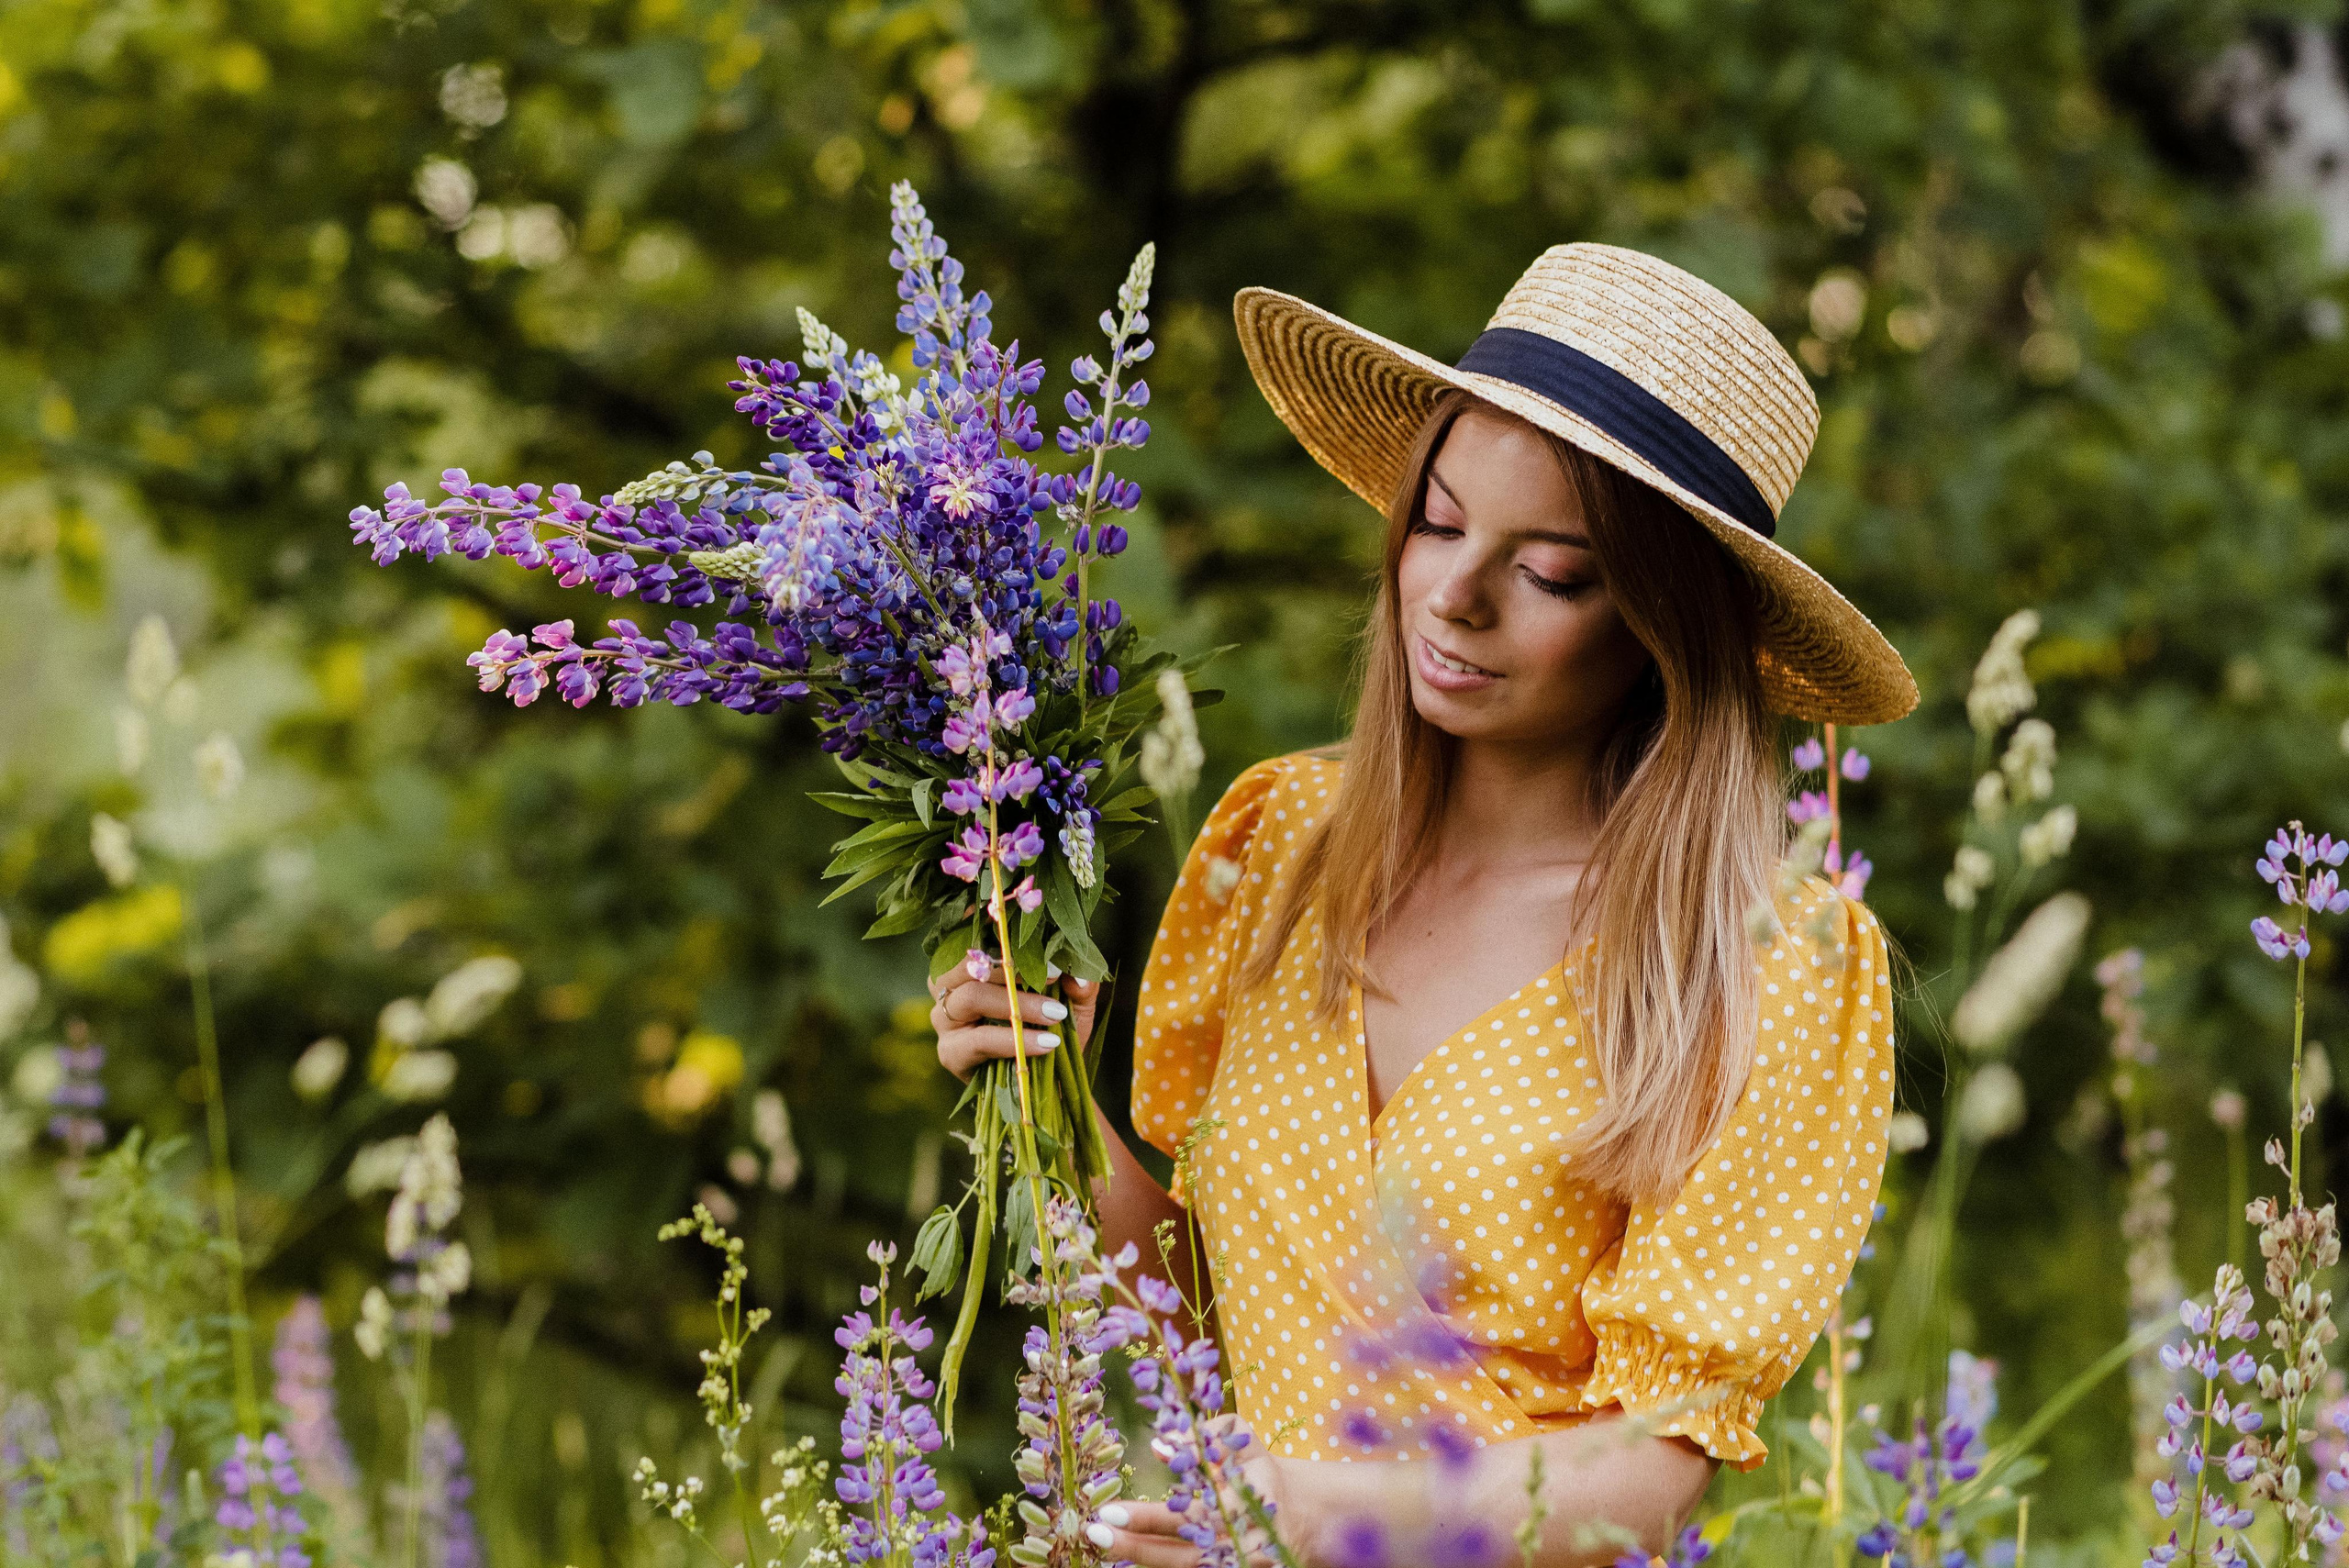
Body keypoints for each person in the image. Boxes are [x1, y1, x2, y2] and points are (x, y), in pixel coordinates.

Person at [932, 243, 1918, 1565]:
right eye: (1440, 523)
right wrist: (1049, 1093)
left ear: (1662, 623)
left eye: (1554, 573)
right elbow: (1201, 1316)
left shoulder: (1762, 953)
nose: (1454, 596)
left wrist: (1287, 1522)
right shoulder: (1277, 842)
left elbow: (1650, 1476)